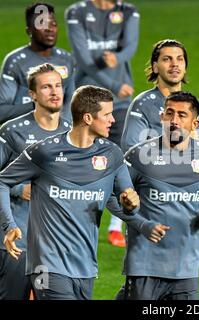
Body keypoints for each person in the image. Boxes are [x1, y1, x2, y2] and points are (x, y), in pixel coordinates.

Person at [0, 85, 166, 300]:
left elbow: (119, 202)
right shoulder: (45, 152)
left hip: (85, 268)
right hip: (47, 266)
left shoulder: (112, 155)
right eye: (107, 114)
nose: (113, 120)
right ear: (88, 118)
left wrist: (132, 205)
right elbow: (0, 181)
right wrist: (9, 225)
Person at [120, 91, 199, 300]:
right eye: (169, 113)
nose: (174, 120)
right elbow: (115, 198)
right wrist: (134, 215)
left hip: (186, 266)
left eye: (182, 115)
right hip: (144, 264)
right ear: (161, 117)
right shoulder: (138, 155)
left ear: (195, 123)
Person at [0, 63, 71, 300]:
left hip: (55, 243)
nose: (54, 91)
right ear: (32, 94)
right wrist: (20, 189)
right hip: (16, 242)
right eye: (46, 87)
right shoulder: (13, 130)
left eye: (58, 85)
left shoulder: (73, 132)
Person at [65, 0, 140, 247]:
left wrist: (117, 57)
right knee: (79, 159)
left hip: (118, 103)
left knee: (120, 158)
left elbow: (130, 46)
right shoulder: (76, 12)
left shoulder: (127, 10)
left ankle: (116, 225)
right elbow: (83, 59)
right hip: (85, 99)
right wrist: (115, 84)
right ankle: (73, 219)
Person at [0, 2, 74, 124]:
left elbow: (70, 103)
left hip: (58, 136)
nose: (49, 29)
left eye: (53, 24)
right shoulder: (15, 62)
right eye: (42, 24)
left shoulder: (66, 59)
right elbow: (0, 113)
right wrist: (40, 103)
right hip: (27, 135)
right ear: (29, 31)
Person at [120, 39, 199, 153]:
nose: (174, 64)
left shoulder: (194, 105)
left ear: (185, 67)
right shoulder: (143, 104)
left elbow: (193, 145)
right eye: (167, 59)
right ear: (155, 67)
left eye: (179, 59)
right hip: (153, 168)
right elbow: (131, 149)